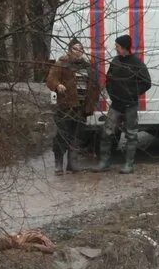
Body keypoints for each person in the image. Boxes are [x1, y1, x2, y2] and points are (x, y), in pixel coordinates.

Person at [100, 33, 152, 174]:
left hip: (130, 104)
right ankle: (104, 162)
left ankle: (129, 164)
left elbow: (147, 83)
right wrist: (112, 93)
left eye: (117, 46)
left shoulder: (137, 64)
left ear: (124, 47)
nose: (115, 48)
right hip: (116, 104)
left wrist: (133, 93)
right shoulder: (115, 61)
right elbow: (108, 79)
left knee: (131, 134)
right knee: (106, 132)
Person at [45, 37, 94, 174]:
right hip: (66, 106)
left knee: (77, 135)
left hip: (81, 106)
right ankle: (59, 163)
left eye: (81, 49)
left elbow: (94, 83)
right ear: (69, 50)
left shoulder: (86, 66)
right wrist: (57, 85)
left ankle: (72, 163)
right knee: (62, 134)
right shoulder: (62, 64)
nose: (78, 51)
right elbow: (50, 79)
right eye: (75, 49)